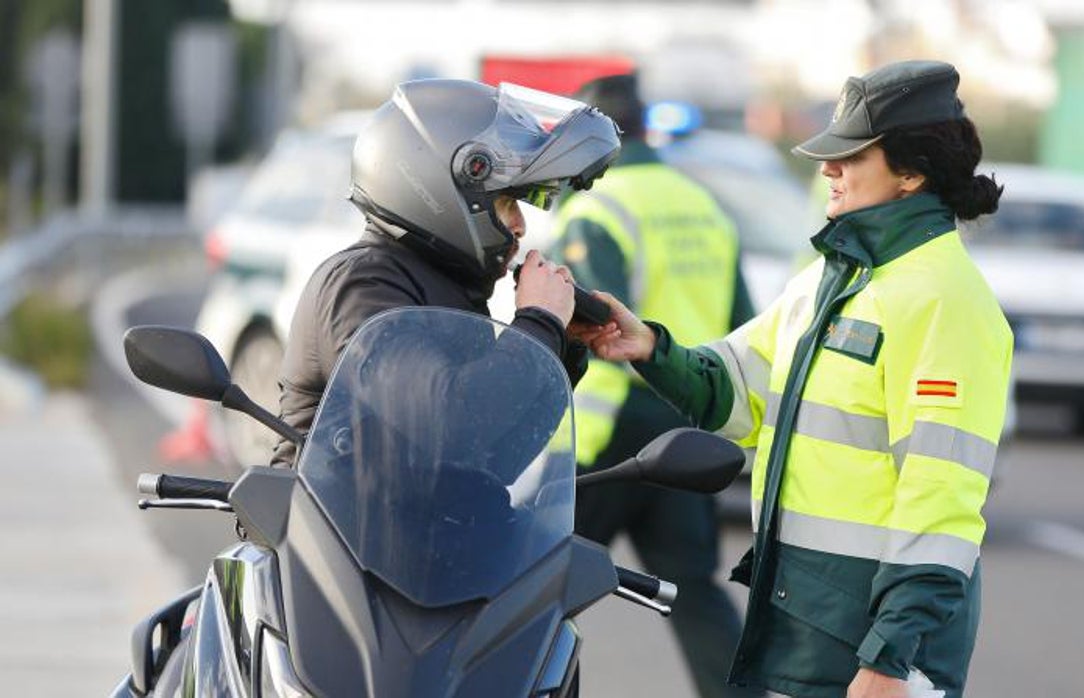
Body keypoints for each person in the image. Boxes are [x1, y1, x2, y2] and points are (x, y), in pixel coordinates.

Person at [573, 60, 1014, 698]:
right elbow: (734, 390)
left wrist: (889, 660)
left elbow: (940, 502)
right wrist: (647, 347)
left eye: (851, 155)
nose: (827, 169)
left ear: (912, 174)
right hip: (805, 630)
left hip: (869, 653)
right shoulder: (831, 279)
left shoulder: (944, 299)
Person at [271, 78, 621, 466]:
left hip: (427, 525)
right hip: (341, 525)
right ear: (441, 186)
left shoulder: (450, 290)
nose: (520, 225)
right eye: (507, 203)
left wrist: (560, 346)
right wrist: (538, 322)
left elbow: (495, 459)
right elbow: (451, 426)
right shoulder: (362, 284)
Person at [544, 73, 760, 698]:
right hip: (683, 430)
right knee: (693, 589)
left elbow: (592, 323)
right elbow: (744, 325)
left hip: (604, 439)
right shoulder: (702, 203)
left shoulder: (594, 209)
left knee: (542, 591)